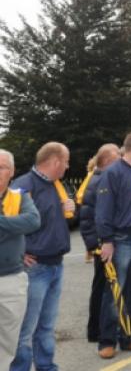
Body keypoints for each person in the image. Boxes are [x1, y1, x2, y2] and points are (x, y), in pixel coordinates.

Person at [10, 142, 72, 371]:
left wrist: (70, 209)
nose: (67, 166)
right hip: (36, 268)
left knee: (46, 325)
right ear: (55, 161)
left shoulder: (56, 186)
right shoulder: (23, 186)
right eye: (66, 161)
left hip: (56, 264)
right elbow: (7, 225)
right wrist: (20, 252)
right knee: (26, 329)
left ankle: (46, 366)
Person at [95, 132, 131, 359]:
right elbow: (103, 211)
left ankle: (129, 336)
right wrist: (107, 241)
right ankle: (106, 341)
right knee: (114, 293)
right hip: (122, 239)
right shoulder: (113, 173)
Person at [0, 149, 40, 370]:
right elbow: (21, 224)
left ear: (12, 172)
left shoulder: (19, 196)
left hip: (10, 280)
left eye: (2, 167)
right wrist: (12, 225)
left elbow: (32, 221)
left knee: (8, 341)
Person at [78, 144, 119, 342]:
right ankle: (96, 330)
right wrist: (95, 245)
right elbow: (87, 217)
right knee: (101, 288)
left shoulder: (103, 178)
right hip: (101, 245)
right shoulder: (99, 180)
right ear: (107, 161)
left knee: (104, 287)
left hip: (103, 242)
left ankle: (99, 328)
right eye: (118, 157)